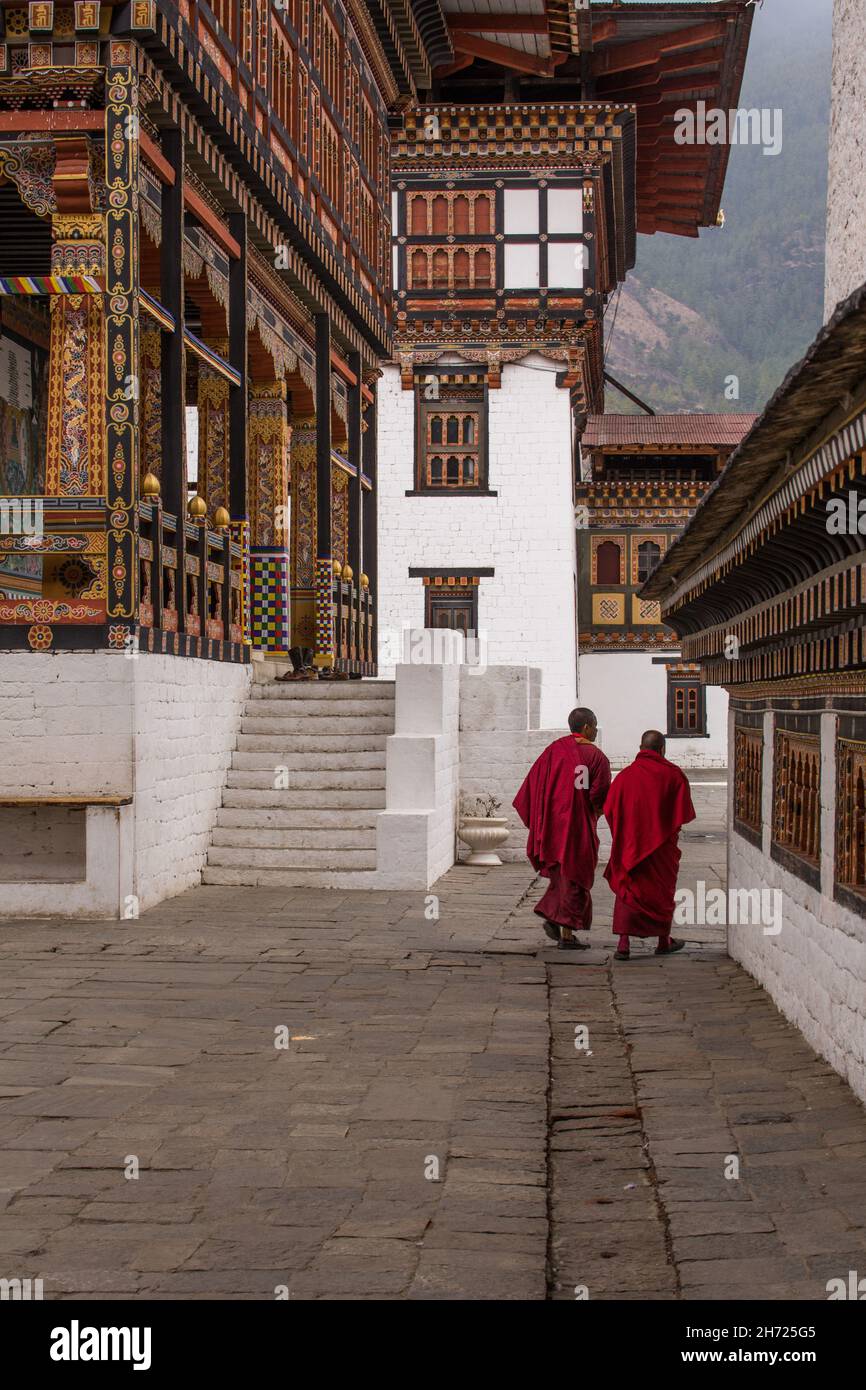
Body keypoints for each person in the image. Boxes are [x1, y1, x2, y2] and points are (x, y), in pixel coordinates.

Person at [513, 708, 611, 950]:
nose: (596, 730)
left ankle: (552, 915)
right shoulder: (597, 757)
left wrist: (541, 817)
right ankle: (566, 936)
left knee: (562, 876)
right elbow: (599, 796)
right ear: (587, 727)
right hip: (578, 827)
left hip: (553, 825)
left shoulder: (553, 751)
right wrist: (594, 813)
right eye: (595, 724)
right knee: (575, 877)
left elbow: (533, 784)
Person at [603, 730, 696, 961]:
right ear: (662, 750)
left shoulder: (624, 777)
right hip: (661, 849)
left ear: (641, 748)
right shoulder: (673, 776)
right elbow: (682, 814)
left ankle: (623, 944)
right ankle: (663, 941)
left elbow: (609, 810)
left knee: (629, 891)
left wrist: (626, 835)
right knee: (662, 892)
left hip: (631, 846)